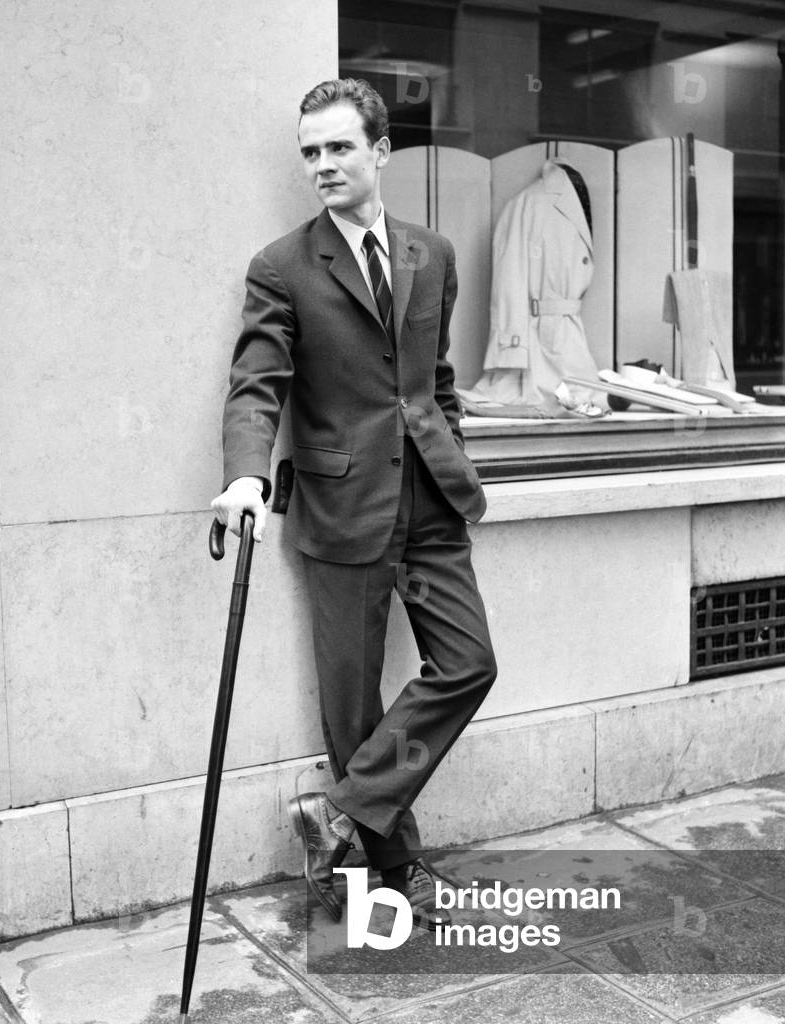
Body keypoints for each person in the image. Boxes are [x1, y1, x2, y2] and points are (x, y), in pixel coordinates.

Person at [210, 78, 497, 929]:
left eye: (339, 148)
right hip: (342, 510)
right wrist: (245, 475)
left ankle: (336, 813)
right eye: (310, 153)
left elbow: (435, 381)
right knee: (354, 707)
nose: (323, 165)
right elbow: (256, 383)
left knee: (468, 664)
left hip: (432, 504)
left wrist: (452, 447)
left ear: (379, 150)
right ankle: (399, 868)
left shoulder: (432, 254)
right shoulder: (283, 266)